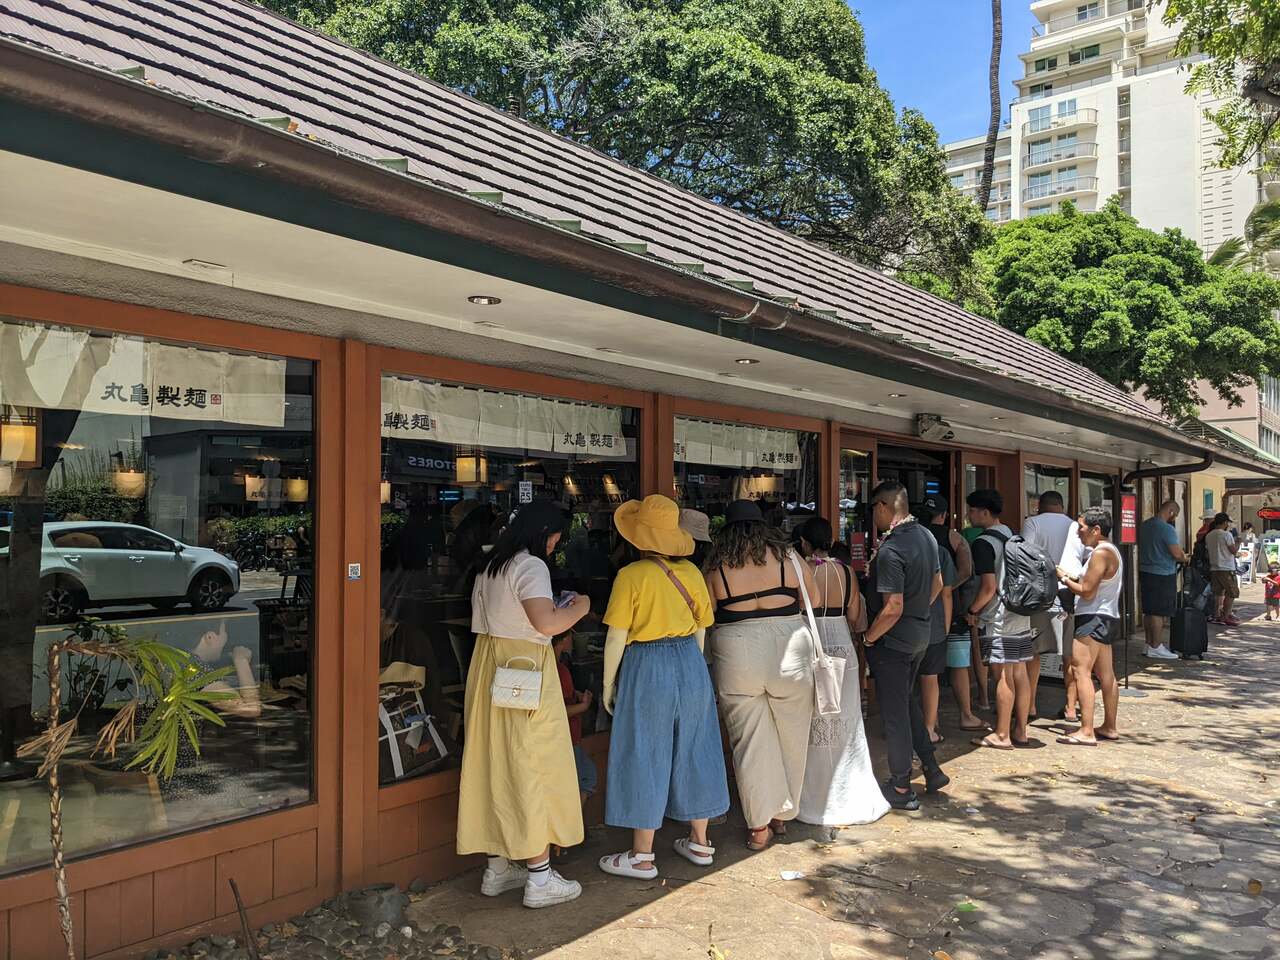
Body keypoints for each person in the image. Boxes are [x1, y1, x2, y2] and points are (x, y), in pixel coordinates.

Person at [457, 500, 591, 909]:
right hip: (525, 670)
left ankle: (497, 868)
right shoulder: (530, 566)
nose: (555, 545)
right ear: (542, 531)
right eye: (555, 537)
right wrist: (581, 606)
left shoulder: (490, 565)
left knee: (494, 764)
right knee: (533, 764)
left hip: (489, 666)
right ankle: (539, 876)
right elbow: (546, 623)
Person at [598, 495, 729, 878]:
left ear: (639, 537)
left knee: (644, 749)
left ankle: (642, 855)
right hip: (690, 660)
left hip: (647, 662)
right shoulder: (692, 573)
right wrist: (689, 667)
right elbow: (702, 630)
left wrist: (608, 684)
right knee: (697, 746)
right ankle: (700, 842)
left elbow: (616, 637)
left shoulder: (631, 576)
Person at [707, 499, 819, 850]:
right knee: (792, 735)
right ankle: (782, 816)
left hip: (737, 648)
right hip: (789, 643)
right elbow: (813, 599)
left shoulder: (716, 564)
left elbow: (707, 612)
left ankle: (758, 827)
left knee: (749, 742)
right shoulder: (789, 557)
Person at [793, 517, 889, 826]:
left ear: (804, 543)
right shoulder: (846, 572)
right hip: (841, 643)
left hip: (809, 641)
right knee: (845, 717)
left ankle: (812, 796)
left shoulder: (801, 571)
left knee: (812, 718)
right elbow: (856, 616)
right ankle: (849, 790)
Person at [863, 481, 948, 811]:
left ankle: (901, 786)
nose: (873, 517)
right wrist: (919, 611)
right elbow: (938, 583)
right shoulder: (926, 536)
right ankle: (931, 767)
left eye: (873, 509)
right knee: (907, 703)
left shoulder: (891, 549)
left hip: (893, 643)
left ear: (883, 507)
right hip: (920, 635)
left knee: (895, 715)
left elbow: (893, 606)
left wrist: (870, 637)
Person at [965, 489, 1035, 751]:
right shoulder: (1014, 536)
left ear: (984, 512)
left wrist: (972, 610)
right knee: (1019, 672)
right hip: (1020, 611)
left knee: (1002, 674)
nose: (969, 515)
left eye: (972, 510)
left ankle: (1002, 734)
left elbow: (988, 587)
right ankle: (1021, 730)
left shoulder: (983, 543)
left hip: (997, 616)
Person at [1056, 507, 1123, 746]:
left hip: (1093, 617)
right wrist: (1072, 577)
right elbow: (1091, 583)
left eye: (1081, 528)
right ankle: (1109, 726)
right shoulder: (1110, 550)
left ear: (1096, 530)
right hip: (1106, 616)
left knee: (1080, 671)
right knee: (1106, 674)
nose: (1078, 533)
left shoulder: (1100, 554)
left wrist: (1064, 579)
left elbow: (1086, 591)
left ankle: (1086, 730)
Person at [1020, 490, 1077, 722]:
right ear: (1061, 505)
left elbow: (1025, 555)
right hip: (1069, 593)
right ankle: (1070, 708)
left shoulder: (1032, 523)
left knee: (1033, 652)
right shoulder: (1075, 526)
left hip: (1040, 594)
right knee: (1069, 655)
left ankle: (1030, 705)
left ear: (1040, 505)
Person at [913, 497, 963, 744]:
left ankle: (906, 727)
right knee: (930, 677)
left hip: (905, 624)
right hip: (934, 623)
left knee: (906, 678)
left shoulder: (899, 548)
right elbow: (947, 594)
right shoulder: (940, 551)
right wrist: (945, 625)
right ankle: (930, 728)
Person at [1138, 500, 1186, 660]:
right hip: (1162, 573)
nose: (1174, 518)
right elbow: (1177, 554)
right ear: (1171, 511)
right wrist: (1185, 557)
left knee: (1149, 611)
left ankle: (1148, 643)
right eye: (1175, 515)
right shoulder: (1167, 529)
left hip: (1145, 571)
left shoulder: (1145, 525)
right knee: (1159, 612)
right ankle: (1156, 646)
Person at [553, 632, 596, 807]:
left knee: (586, 775)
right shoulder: (559, 671)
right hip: (567, 737)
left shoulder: (554, 667)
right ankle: (573, 821)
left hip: (563, 738)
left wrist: (575, 695)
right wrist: (583, 706)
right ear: (563, 640)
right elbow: (557, 711)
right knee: (585, 778)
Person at [1206, 512, 1241, 626]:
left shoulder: (1209, 535)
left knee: (1218, 593)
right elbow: (1233, 551)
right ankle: (1226, 615)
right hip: (1226, 568)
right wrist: (1238, 542)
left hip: (1214, 568)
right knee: (1232, 592)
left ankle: (1216, 615)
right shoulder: (1226, 535)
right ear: (1225, 522)